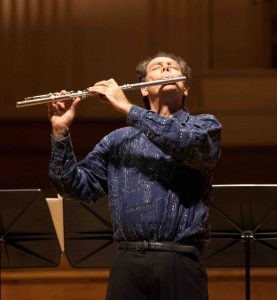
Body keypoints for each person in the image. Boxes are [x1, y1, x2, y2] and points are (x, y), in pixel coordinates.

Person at [48, 52, 222, 300]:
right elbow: (72, 187)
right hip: (128, 264)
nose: (165, 69)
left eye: (172, 67)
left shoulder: (205, 127)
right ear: (143, 88)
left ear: (185, 89)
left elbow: (185, 144)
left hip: (181, 260)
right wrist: (60, 133)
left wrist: (126, 107)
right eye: (157, 67)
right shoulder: (117, 140)